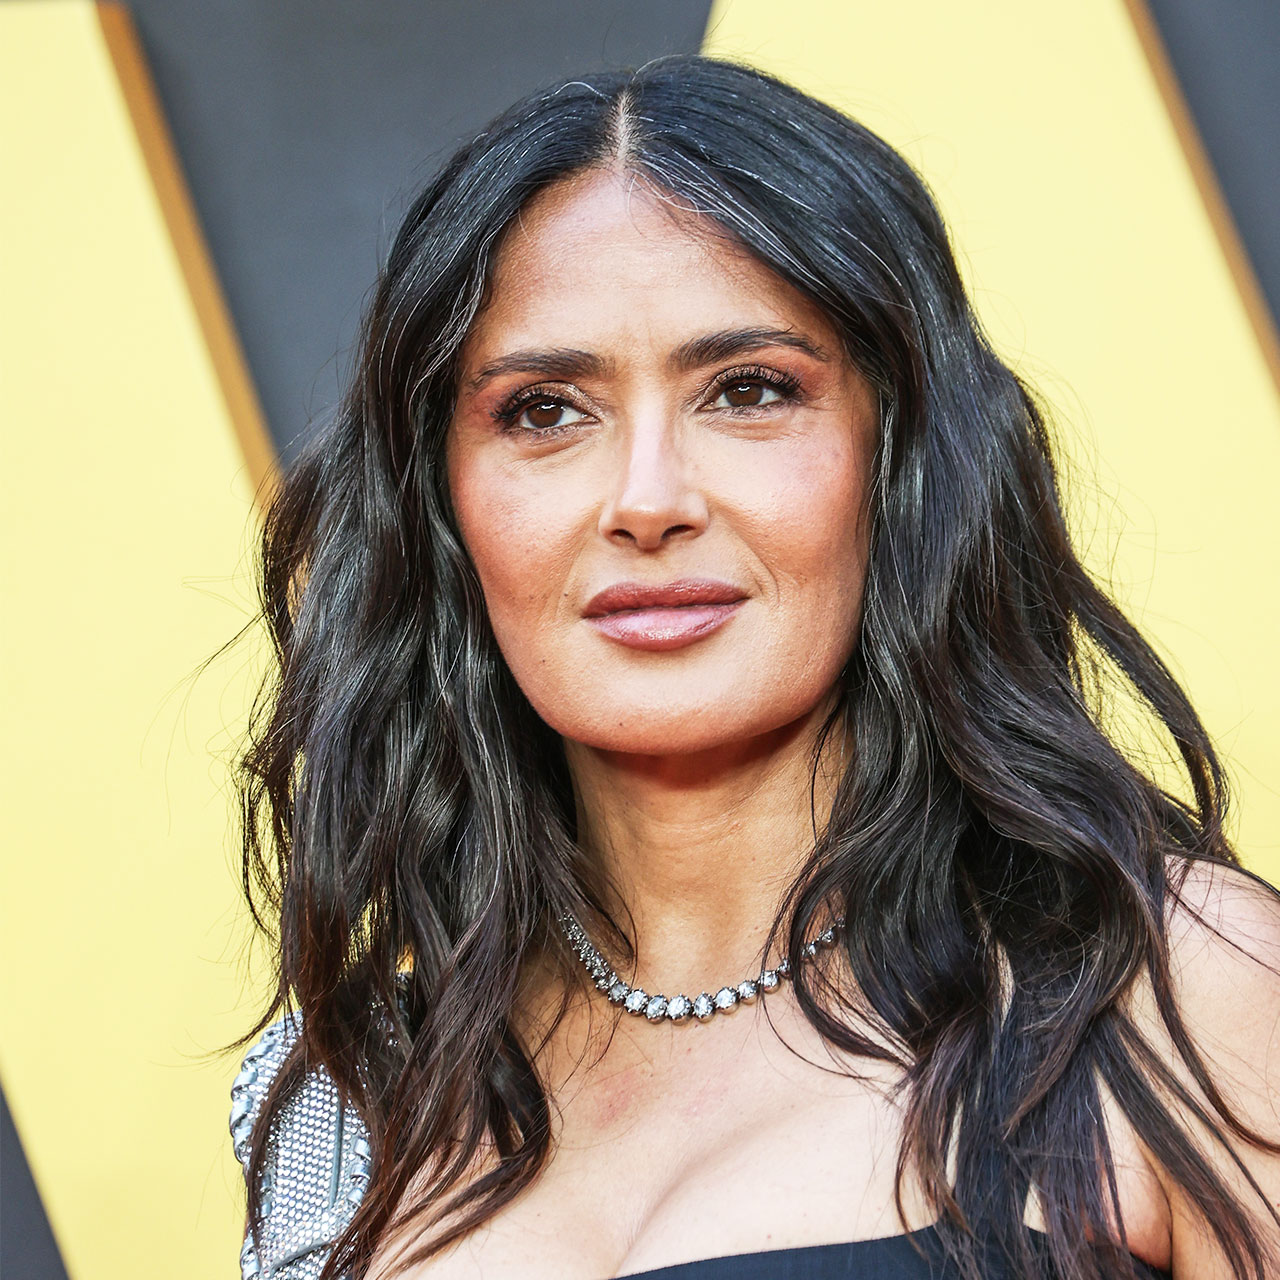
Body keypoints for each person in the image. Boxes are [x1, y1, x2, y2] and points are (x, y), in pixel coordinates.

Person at [228, 53, 1280, 1280]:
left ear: (900, 458)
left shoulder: (1173, 991)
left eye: (747, 390)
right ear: (441, 500)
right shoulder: (344, 1095)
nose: (646, 500)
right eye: (544, 409)